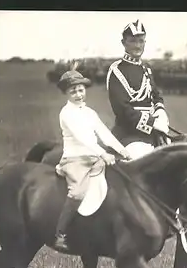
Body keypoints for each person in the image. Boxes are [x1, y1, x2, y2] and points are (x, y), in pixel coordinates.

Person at [53, 69, 132, 252]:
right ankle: (60, 233)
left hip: (94, 157)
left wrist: (122, 150)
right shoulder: (66, 113)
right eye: (73, 91)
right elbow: (83, 138)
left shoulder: (89, 112)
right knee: (78, 193)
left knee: (117, 181)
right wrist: (103, 154)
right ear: (66, 93)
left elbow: (103, 133)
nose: (78, 94)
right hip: (75, 159)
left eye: (80, 90)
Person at [106, 19, 170, 160]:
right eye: (133, 41)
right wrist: (152, 123)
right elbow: (122, 110)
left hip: (153, 133)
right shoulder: (116, 70)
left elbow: (156, 96)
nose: (138, 46)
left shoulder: (146, 69)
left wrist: (160, 112)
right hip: (129, 134)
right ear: (124, 43)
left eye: (141, 41)